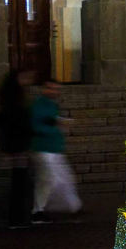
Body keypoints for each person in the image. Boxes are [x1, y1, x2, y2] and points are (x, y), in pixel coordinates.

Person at [28, 78, 82, 220]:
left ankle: (68, 207)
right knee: (49, 179)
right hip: (44, 147)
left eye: (56, 89)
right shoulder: (38, 105)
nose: (54, 92)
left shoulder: (51, 105)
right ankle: (39, 210)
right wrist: (55, 125)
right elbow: (36, 125)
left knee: (58, 178)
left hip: (53, 147)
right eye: (51, 88)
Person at [0, 69, 35, 228]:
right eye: (25, 77)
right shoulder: (14, 98)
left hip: (15, 144)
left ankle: (16, 217)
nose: (28, 80)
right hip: (17, 145)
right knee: (20, 182)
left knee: (20, 181)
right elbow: (14, 121)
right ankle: (16, 218)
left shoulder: (12, 96)